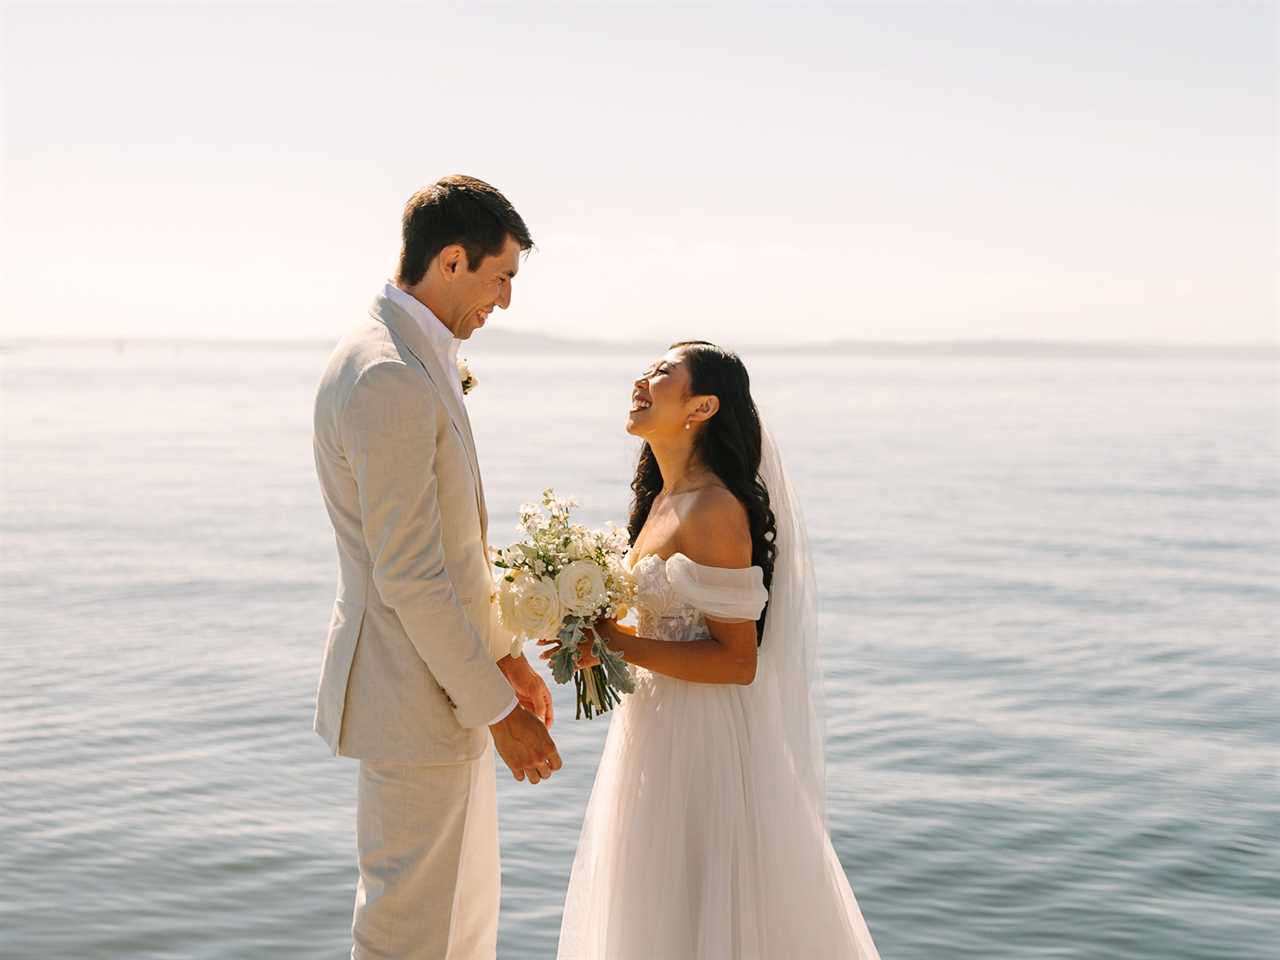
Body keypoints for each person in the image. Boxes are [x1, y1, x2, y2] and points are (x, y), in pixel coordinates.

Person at [544, 341, 881, 959]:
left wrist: (616, 640)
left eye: (662, 373)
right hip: (652, 732)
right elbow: (661, 628)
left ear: (702, 407)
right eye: (646, 369)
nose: (642, 380)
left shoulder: (716, 508)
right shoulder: (662, 501)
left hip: (704, 745)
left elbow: (737, 661)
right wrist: (590, 640)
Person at [312, 175, 560, 960]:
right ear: (451, 261)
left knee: (461, 929)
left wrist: (505, 655)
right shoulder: (387, 374)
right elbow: (410, 577)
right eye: (502, 277)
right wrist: (496, 708)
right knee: (409, 937)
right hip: (415, 702)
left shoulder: (413, 357)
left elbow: (450, 553)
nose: (506, 302)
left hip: (442, 694)